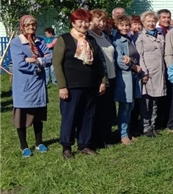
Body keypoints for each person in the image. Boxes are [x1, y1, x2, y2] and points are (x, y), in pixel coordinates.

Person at [53, 9, 106, 159]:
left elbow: (98, 63)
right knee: (70, 116)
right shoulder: (64, 39)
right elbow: (57, 64)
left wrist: (102, 81)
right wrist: (62, 86)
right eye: (80, 21)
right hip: (72, 86)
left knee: (88, 116)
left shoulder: (91, 40)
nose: (84, 24)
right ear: (73, 23)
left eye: (86, 21)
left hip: (90, 85)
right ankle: (67, 146)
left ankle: (84, 144)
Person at [11, 15, 52, 158]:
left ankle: (39, 142)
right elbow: (20, 64)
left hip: (39, 85)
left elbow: (49, 58)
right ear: (22, 26)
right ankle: (24, 146)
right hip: (24, 85)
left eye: (33, 25)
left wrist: (36, 60)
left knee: (38, 116)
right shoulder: (16, 43)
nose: (31, 28)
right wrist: (38, 65)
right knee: (21, 117)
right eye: (28, 25)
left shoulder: (40, 41)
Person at [113, 14, 145, 145]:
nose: (125, 27)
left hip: (133, 77)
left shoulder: (130, 38)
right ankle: (123, 134)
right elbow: (120, 61)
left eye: (127, 25)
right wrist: (133, 66)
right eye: (122, 25)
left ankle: (128, 131)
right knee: (124, 106)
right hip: (124, 78)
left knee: (131, 106)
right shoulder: (117, 41)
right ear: (117, 26)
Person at [88, 9, 117, 148]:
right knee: (97, 111)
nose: (101, 23)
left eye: (104, 20)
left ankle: (106, 137)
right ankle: (94, 139)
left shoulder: (105, 35)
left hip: (111, 77)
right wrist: (101, 80)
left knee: (107, 110)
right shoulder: (88, 37)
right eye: (98, 20)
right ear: (91, 21)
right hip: (98, 80)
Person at [136, 11, 167, 137]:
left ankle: (153, 126)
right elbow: (140, 56)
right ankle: (146, 127)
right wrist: (144, 73)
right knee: (146, 102)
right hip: (147, 73)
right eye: (148, 21)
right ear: (143, 23)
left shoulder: (160, 34)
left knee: (155, 101)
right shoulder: (140, 37)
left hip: (159, 72)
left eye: (153, 21)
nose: (151, 23)